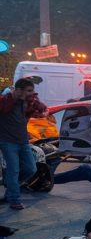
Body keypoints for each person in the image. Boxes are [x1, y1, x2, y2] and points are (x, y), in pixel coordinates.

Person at [0, 78, 47, 209]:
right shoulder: (5, 101)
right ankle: (14, 200)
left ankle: (10, 188)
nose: (32, 93)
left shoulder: (27, 102)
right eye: (29, 91)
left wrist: (39, 108)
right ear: (19, 90)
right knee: (13, 170)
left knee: (31, 168)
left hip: (23, 141)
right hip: (8, 142)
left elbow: (41, 110)